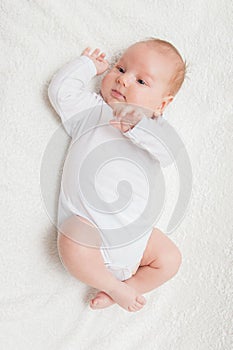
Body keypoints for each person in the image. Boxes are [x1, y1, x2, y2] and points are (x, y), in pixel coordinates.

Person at [48, 38, 186, 312]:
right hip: (89, 228)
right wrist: (87, 65)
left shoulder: (155, 128)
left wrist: (138, 126)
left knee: (170, 259)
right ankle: (113, 288)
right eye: (121, 69)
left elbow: (170, 154)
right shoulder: (93, 111)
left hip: (138, 240)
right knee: (71, 239)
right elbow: (60, 92)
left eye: (141, 82)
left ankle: (125, 290)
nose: (123, 81)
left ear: (162, 104)